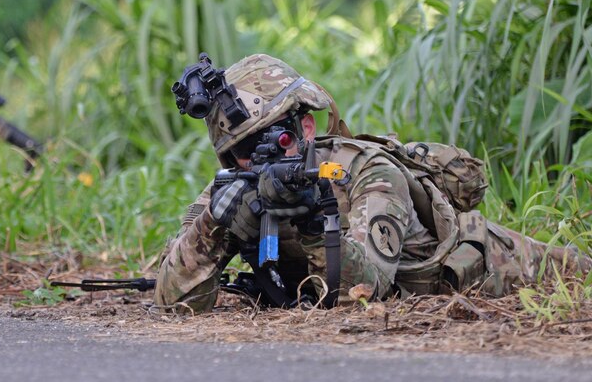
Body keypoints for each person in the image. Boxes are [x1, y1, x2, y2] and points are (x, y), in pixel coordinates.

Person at [154, 53, 590, 313]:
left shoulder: (365, 170)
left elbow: (365, 292)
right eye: (241, 151)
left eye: (276, 139)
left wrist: (310, 217)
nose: (256, 160)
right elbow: (172, 301)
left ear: (306, 128)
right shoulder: (231, 190)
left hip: (487, 267)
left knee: (579, 273)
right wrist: (210, 228)